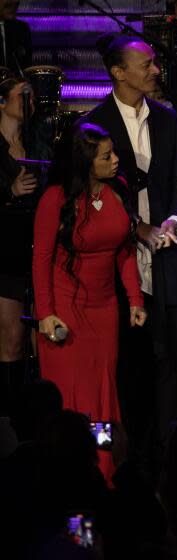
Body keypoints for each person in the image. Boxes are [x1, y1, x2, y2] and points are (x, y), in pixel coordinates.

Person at [80, 33, 177, 455]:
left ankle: (169, 458)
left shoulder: (167, 120)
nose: (155, 70)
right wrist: (137, 228)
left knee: (170, 364)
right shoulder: (93, 126)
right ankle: (125, 460)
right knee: (127, 366)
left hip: (167, 258)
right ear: (118, 72)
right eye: (145, 64)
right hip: (118, 264)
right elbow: (90, 194)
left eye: (154, 63)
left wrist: (173, 220)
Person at [32, 123, 147, 478]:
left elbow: (125, 251)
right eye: (106, 156)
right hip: (65, 310)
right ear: (84, 162)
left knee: (102, 393)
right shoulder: (56, 199)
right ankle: (70, 475)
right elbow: (42, 260)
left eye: (113, 153)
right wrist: (46, 314)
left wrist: (135, 298)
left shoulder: (117, 191)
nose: (115, 161)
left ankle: (104, 472)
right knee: (72, 397)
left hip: (105, 311)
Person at [0, 75, 40, 413]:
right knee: (11, 340)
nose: (29, 102)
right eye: (21, 95)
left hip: (35, 247)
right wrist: (9, 193)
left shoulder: (38, 144)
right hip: (5, 251)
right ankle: (9, 417)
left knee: (39, 338)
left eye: (33, 97)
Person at [0, 0, 31, 71]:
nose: (13, 8)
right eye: (8, 5)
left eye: (16, 5)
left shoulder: (22, 28)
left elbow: (27, 65)